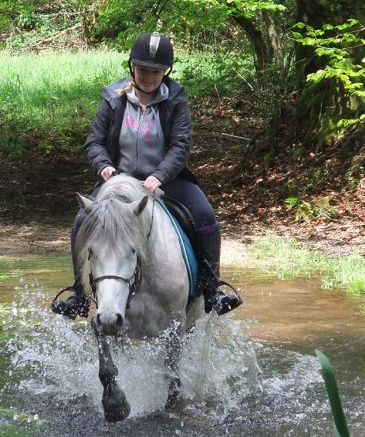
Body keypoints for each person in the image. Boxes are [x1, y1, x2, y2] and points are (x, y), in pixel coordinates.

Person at [51, 31, 242, 319]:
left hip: (166, 180)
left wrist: (160, 175)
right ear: (132, 67)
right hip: (119, 180)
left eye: (156, 71)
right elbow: (94, 141)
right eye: (144, 69)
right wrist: (104, 166)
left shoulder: (176, 99)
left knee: (204, 216)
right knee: (81, 221)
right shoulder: (113, 99)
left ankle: (211, 288)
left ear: (165, 72)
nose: (150, 76)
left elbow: (181, 145)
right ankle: (79, 294)